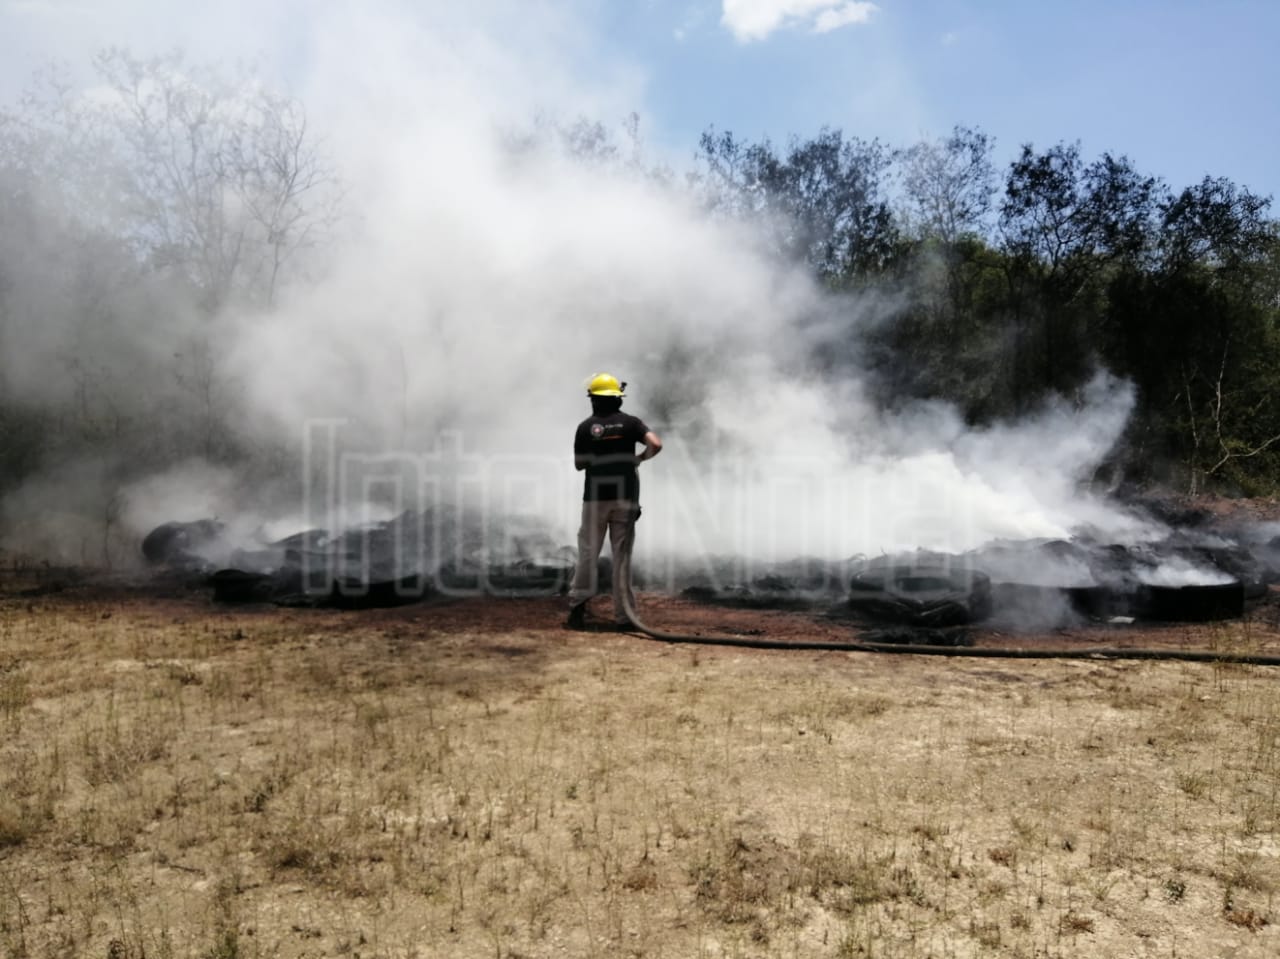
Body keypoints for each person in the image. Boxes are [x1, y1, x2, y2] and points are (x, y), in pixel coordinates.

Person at [566, 372, 662, 629]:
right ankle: (624, 617)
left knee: (588, 553)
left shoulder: (585, 427)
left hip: (594, 500)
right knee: (622, 557)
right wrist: (637, 459)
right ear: (617, 399)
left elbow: (579, 464)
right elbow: (655, 444)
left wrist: (599, 454)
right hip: (625, 500)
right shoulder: (631, 423)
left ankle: (577, 609)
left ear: (596, 400)